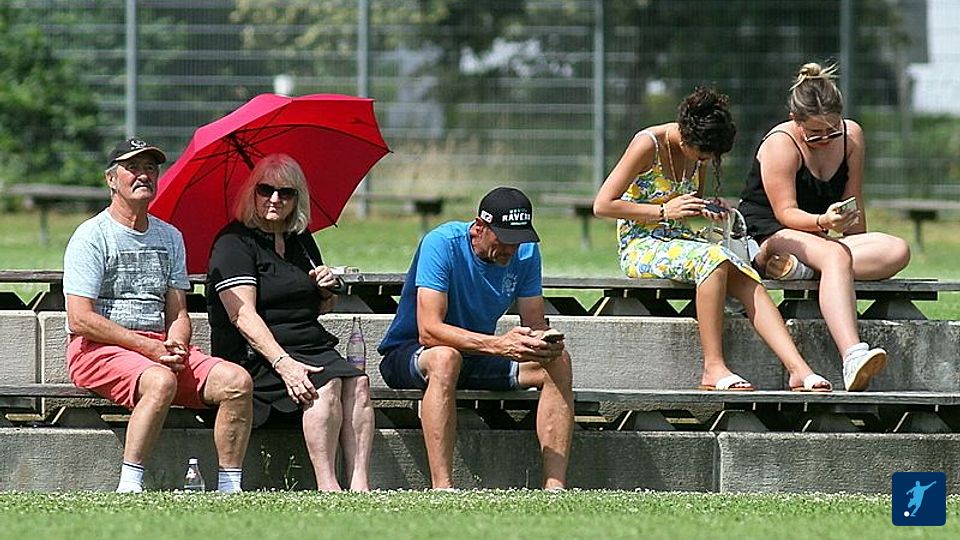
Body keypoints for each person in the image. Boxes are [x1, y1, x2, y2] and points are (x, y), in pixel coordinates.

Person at [593, 87, 831, 392]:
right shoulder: (647, 144)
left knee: (745, 275)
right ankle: (713, 368)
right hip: (640, 244)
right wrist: (662, 211)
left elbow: (689, 201)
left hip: (680, 239)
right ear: (685, 137)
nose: (707, 160)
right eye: (704, 155)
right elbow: (603, 205)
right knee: (714, 260)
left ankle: (799, 370)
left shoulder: (699, 155)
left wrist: (708, 208)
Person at [64, 138, 253, 493]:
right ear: (110, 179)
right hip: (96, 349)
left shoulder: (170, 236)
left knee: (237, 382)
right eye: (132, 168)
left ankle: (230, 488)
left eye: (150, 168)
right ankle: (130, 485)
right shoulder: (91, 236)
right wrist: (147, 348)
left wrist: (177, 343)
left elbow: (178, 310)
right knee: (160, 381)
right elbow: (80, 319)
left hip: (157, 349)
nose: (143, 175)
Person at [378, 187, 574, 490]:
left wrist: (542, 341)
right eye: (504, 239)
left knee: (558, 362)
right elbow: (429, 330)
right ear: (479, 227)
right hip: (412, 353)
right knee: (446, 357)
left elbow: (534, 322)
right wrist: (499, 345)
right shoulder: (441, 243)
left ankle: (555, 488)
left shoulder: (525, 251)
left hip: (478, 356)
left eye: (518, 240)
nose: (511, 249)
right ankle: (443, 488)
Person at [738, 63, 911, 391]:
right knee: (834, 256)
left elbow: (853, 201)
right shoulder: (780, 143)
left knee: (897, 249)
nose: (824, 140)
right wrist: (823, 223)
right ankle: (853, 355)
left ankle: (803, 269)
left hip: (818, 236)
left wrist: (852, 235)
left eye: (832, 131)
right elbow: (785, 212)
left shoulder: (851, 136)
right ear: (794, 119)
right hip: (769, 231)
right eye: (814, 133)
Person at [206, 153, 374, 491]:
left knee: (358, 383)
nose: (275, 199)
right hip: (259, 353)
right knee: (326, 384)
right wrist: (284, 364)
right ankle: (328, 485)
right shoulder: (234, 243)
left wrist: (325, 289)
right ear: (251, 193)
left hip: (308, 342)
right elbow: (242, 316)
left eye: (286, 192)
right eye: (265, 190)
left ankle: (360, 485)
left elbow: (319, 306)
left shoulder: (301, 239)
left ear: (298, 198)